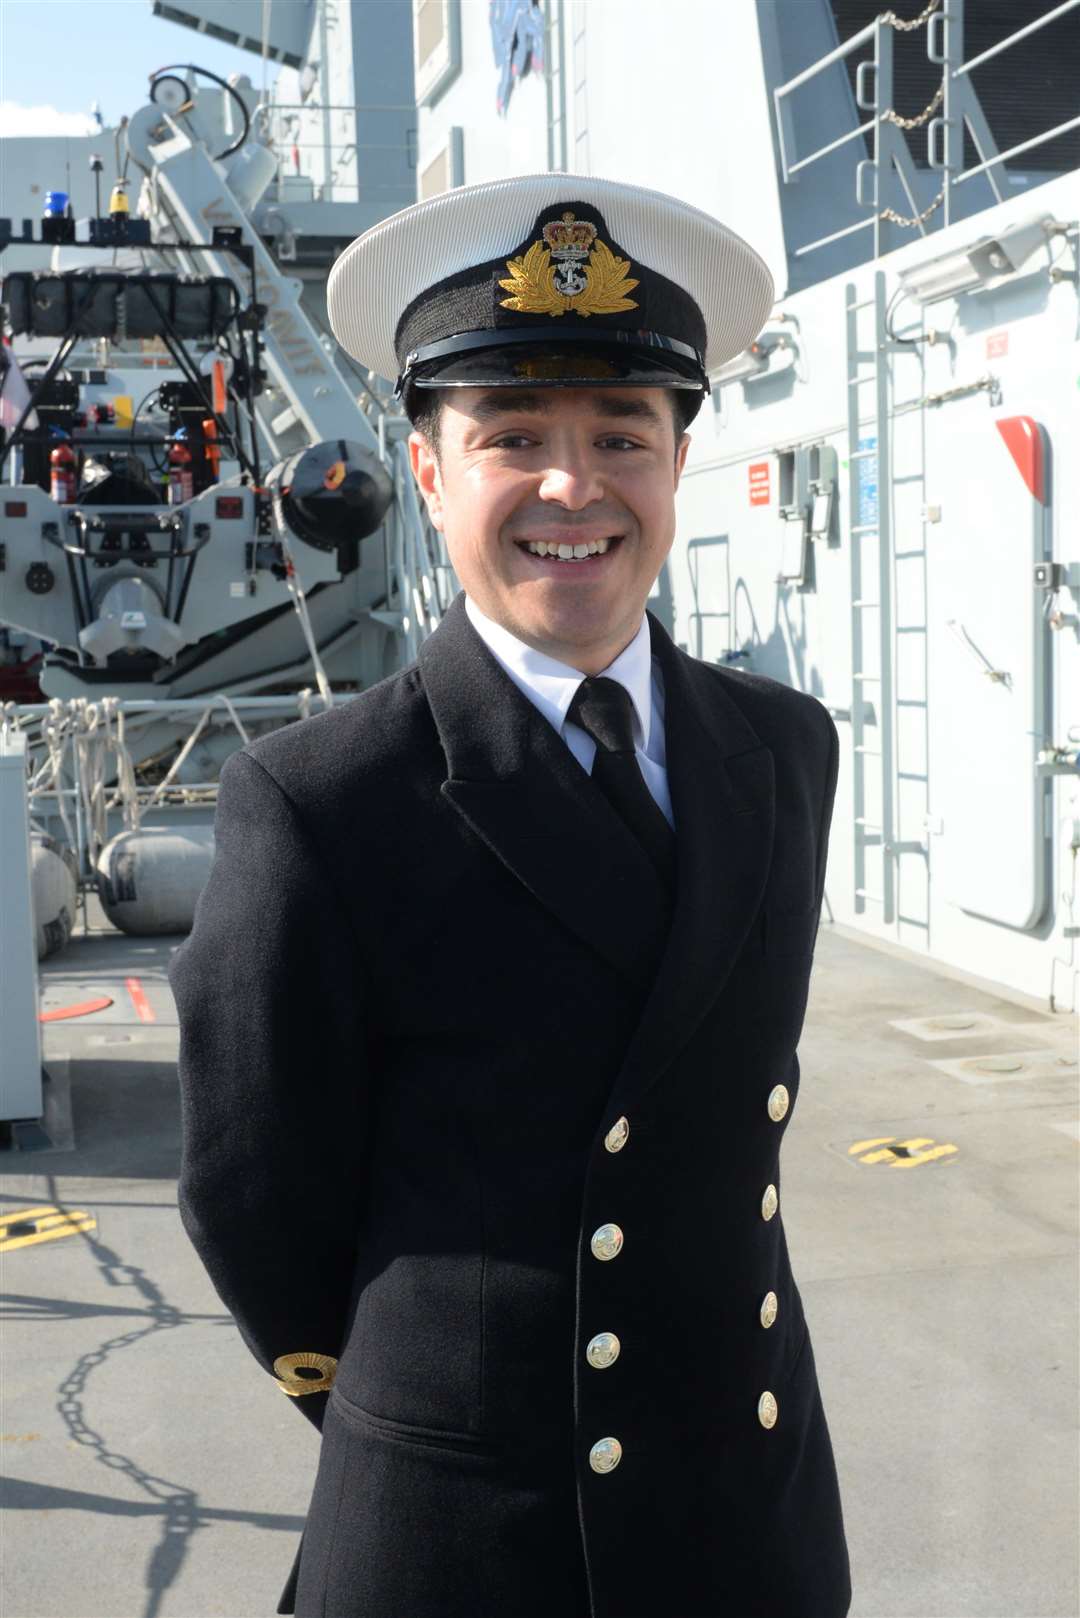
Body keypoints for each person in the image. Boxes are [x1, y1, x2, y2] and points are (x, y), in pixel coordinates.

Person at [169, 173, 851, 1618]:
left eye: (622, 433)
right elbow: (256, 1202)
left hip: (749, 1515)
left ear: (677, 460)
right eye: (512, 438)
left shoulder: (784, 752)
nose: (573, 486)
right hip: (471, 1536)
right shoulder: (323, 803)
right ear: (426, 469)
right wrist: (442, 1412)